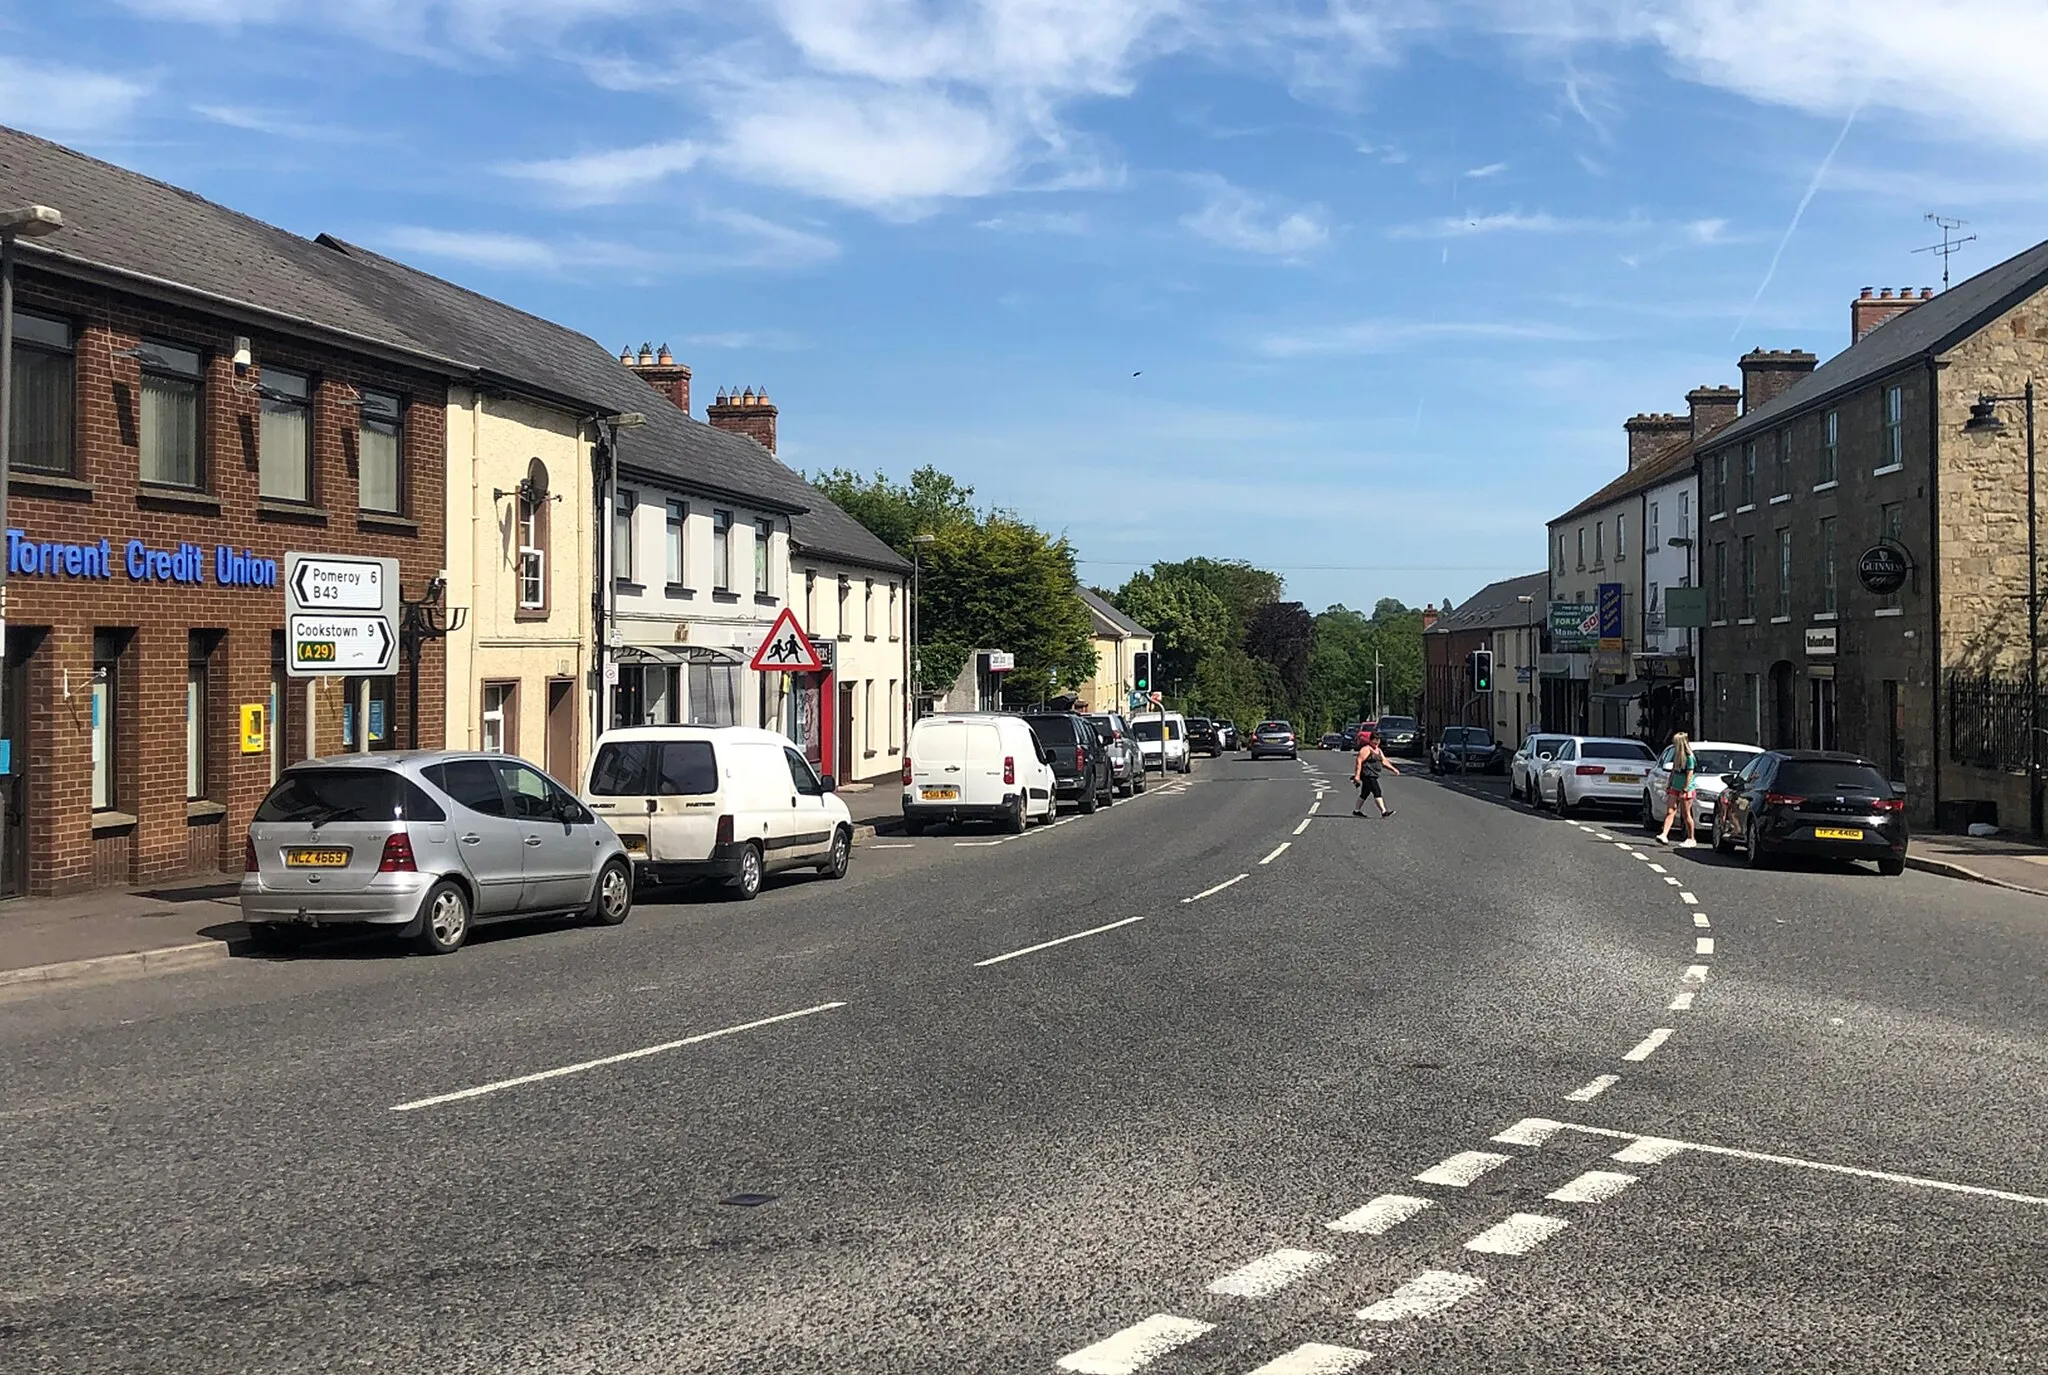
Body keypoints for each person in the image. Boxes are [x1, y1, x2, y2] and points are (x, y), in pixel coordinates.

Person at [1656, 730, 1698, 847]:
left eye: (1675, 743)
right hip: (1675, 786)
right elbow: (1674, 771)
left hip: (1686, 789)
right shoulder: (1677, 757)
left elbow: (1689, 774)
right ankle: (1664, 835)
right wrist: (1669, 784)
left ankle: (1691, 838)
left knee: (1686, 814)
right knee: (1670, 811)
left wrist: (1685, 788)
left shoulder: (1689, 758)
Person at [1353, 730, 1401, 818]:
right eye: (1375, 740)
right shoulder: (1366, 749)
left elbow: (1384, 761)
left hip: (1373, 774)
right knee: (1377, 791)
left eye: (1378, 740)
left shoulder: (1378, 750)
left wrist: (1393, 769)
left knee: (1365, 793)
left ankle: (1356, 811)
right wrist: (1357, 775)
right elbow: (1359, 761)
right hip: (1368, 775)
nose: (1376, 742)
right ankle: (1384, 811)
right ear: (1370, 740)